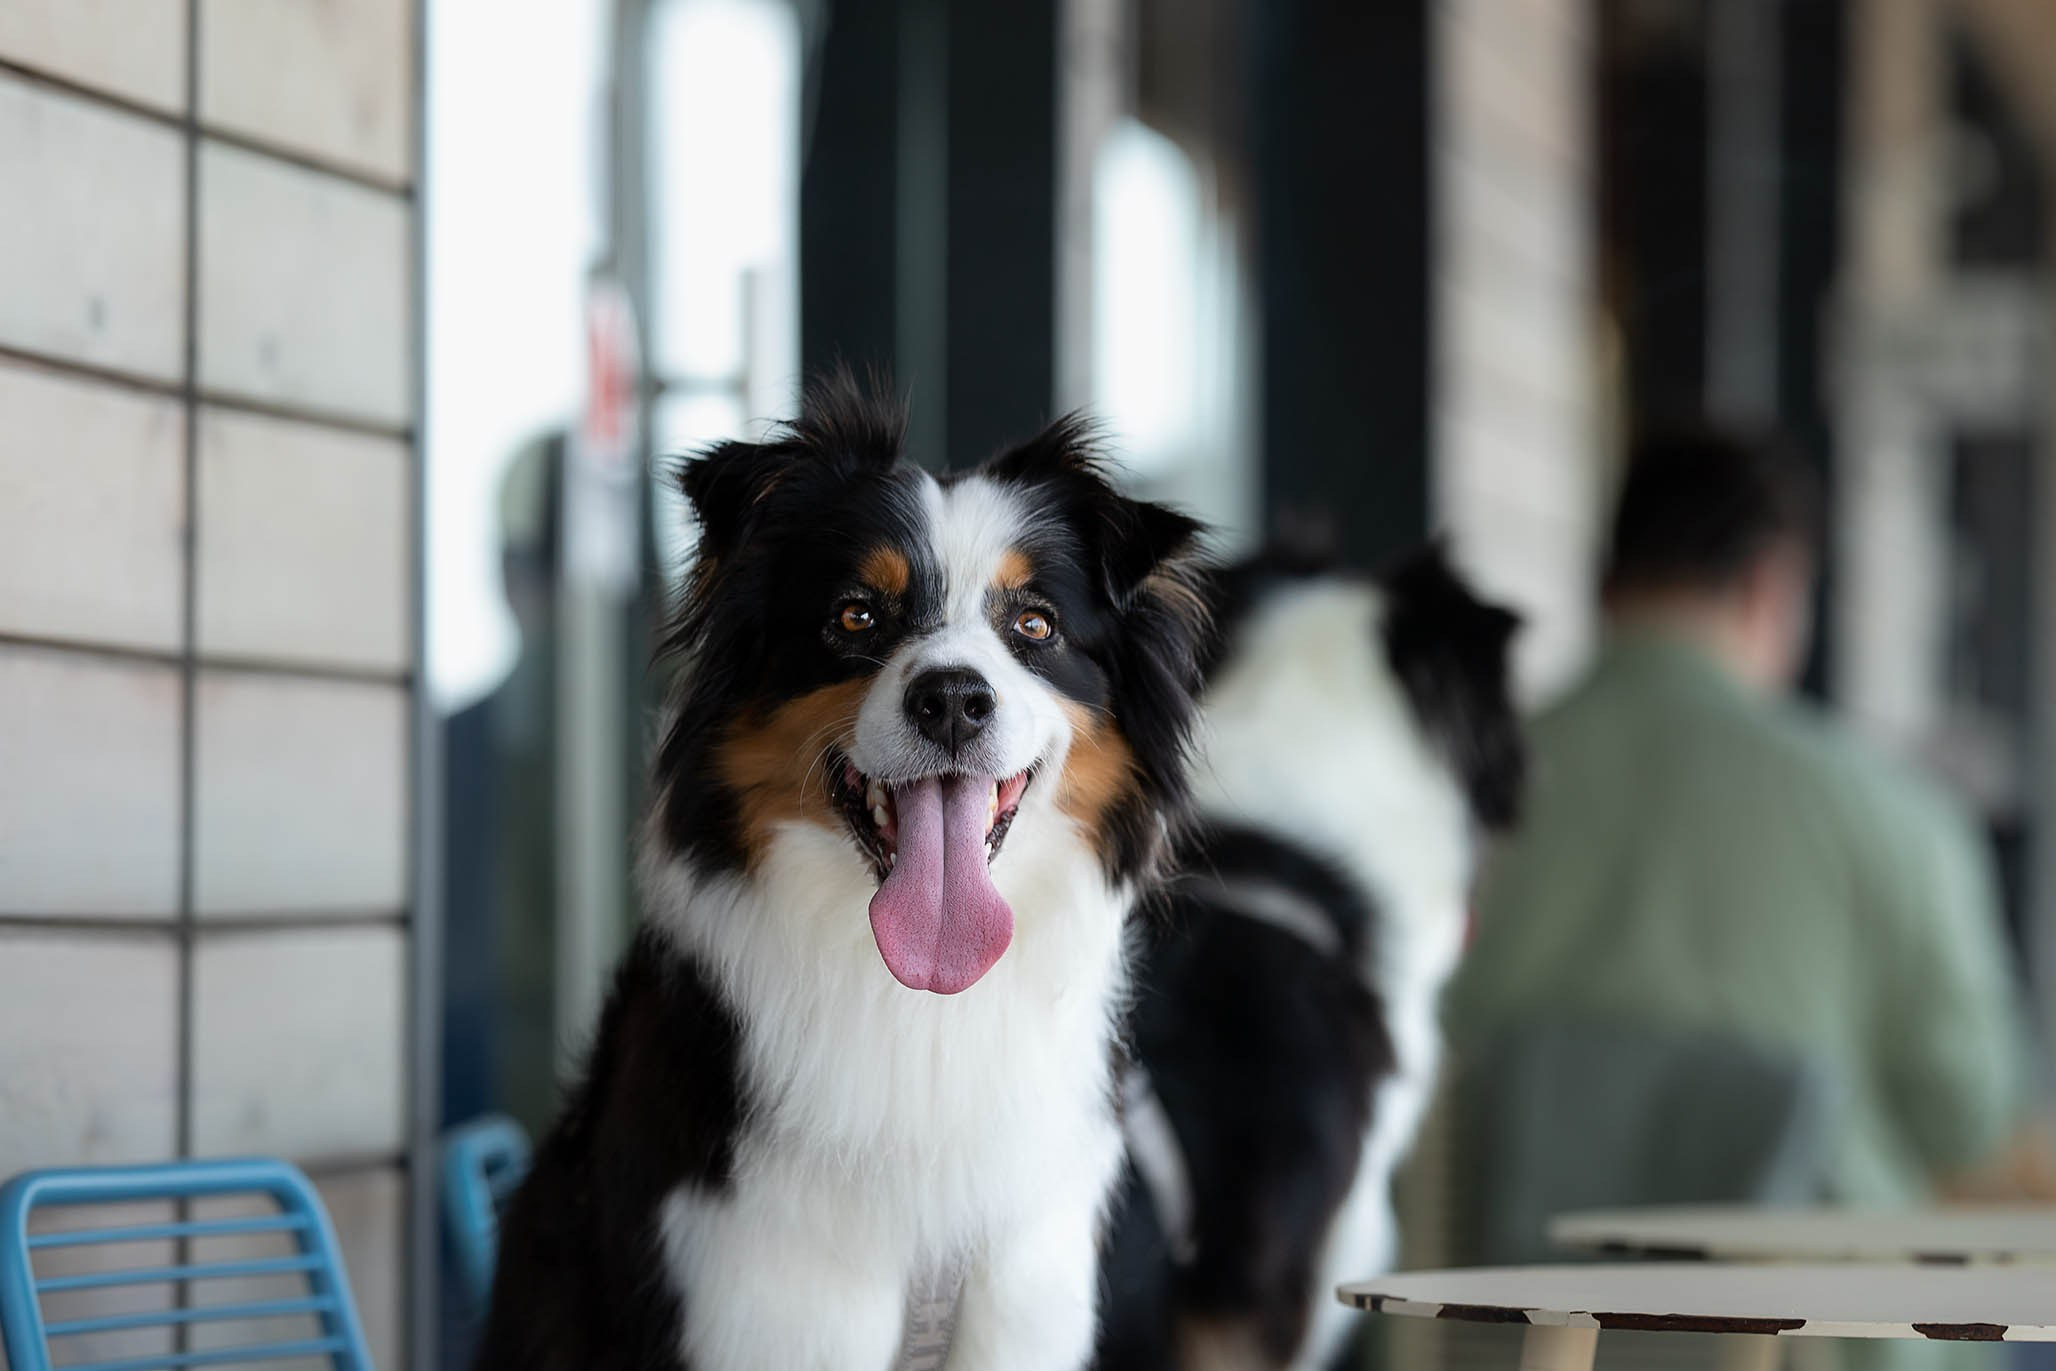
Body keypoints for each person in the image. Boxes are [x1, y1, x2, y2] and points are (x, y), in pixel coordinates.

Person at [1446, 428, 2051, 1250]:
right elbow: (1971, 1126)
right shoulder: (1892, 816)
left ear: (1605, 583)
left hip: (1495, 1303)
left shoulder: (1458, 798)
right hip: (1814, 1309)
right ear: (1772, 584)